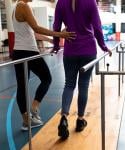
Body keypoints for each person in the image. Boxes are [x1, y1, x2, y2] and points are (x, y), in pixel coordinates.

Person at [12, 0, 76, 131]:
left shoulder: (16, 8)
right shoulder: (23, 6)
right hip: (27, 52)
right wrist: (60, 34)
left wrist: (52, 40)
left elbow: (33, 33)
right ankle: (34, 108)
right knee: (46, 78)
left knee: (22, 86)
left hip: (19, 51)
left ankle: (26, 121)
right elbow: (36, 28)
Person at [53, 0, 112, 139]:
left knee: (69, 84)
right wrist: (103, 46)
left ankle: (63, 118)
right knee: (83, 85)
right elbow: (97, 27)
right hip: (88, 50)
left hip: (70, 50)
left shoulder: (61, 2)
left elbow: (56, 27)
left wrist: (56, 46)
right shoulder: (90, 2)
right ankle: (80, 120)